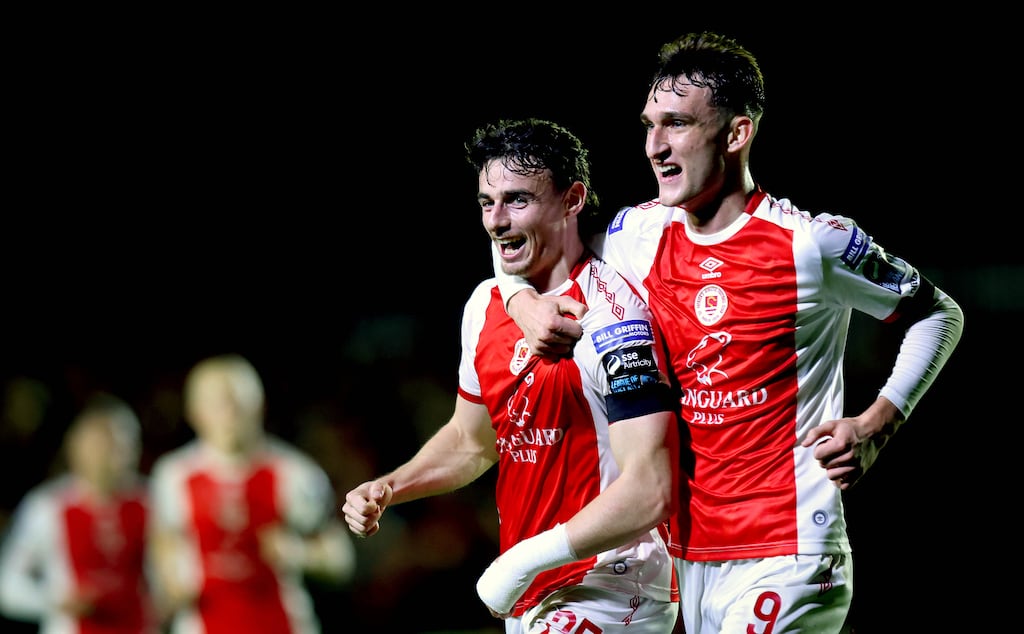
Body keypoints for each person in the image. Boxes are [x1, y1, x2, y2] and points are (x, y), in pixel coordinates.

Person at [492, 32, 965, 633]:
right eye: (649, 125)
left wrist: (878, 420)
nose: (655, 146)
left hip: (790, 551)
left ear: (737, 133)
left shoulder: (810, 244)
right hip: (694, 558)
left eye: (678, 125)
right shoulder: (640, 235)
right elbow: (527, 233)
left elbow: (938, 313)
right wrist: (521, 298)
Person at [343, 118, 682, 633]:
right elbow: (471, 441)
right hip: (533, 591)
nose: (496, 221)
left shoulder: (614, 320)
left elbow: (651, 488)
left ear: (572, 200)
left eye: (517, 200)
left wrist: (521, 560)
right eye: (486, 202)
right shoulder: (485, 305)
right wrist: (392, 486)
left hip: (612, 582)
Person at [147, 353, 356, 634]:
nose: (228, 412)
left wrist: (299, 553)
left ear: (259, 405)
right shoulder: (172, 477)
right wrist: (170, 585)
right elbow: (163, 552)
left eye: (237, 401)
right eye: (216, 402)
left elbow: (340, 558)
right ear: (194, 411)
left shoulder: (295, 473)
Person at [0, 392, 159, 634]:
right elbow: (7, 585)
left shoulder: (152, 500)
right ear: (75, 447)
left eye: (123, 443)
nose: (113, 454)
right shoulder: (47, 506)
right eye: (102, 443)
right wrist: (56, 600)